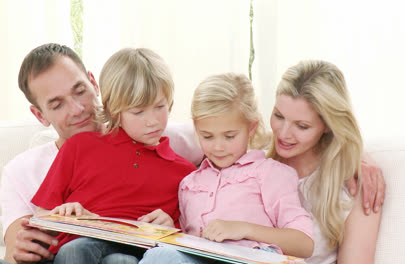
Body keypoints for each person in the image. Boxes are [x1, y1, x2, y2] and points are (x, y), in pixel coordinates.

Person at [0, 44, 202, 264]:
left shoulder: (173, 142)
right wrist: (64, 217)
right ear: (40, 115)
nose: (77, 109)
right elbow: (18, 246)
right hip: (79, 245)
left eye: (79, 91)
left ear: (94, 84)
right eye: (57, 104)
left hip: (139, 248)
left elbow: (224, 138)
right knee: (78, 251)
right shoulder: (22, 170)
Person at [139, 73, 315, 264]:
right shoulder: (190, 184)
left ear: (252, 128)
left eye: (230, 136)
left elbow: (304, 243)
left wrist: (244, 229)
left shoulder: (270, 173)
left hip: (252, 259)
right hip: (200, 257)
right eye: (207, 136)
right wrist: (167, 227)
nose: (218, 147)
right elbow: (185, 245)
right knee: (160, 256)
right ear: (196, 129)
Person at [267, 60, 382, 263]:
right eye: (278, 116)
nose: (283, 133)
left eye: (302, 126)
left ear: (328, 125)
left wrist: (358, 155)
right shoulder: (250, 156)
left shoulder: (352, 187)